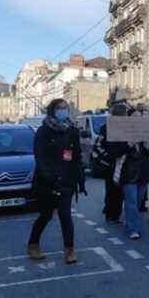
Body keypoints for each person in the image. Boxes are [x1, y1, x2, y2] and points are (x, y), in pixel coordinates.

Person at [27, 99, 86, 264]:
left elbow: (76, 156)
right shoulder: (43, 131)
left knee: (65, 215)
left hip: (66, 181)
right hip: (47, 182)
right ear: (52, 111)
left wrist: (80, 179)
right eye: (59, 108)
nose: (63, 111)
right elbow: (40, 156)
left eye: (65, 108)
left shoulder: (71, 130)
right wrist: (48, 175)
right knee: (45, 215)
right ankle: (33, 244)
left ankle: (69, 250)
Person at [108, 104, 149, 240]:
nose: (137, 120)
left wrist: (147, 145)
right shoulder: (120, 133)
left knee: (137, 201)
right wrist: (129, 144)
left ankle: (130, 220)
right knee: (132, 201)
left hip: (143, 173)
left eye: (139, 117)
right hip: (128, 172)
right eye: (134, 117)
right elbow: (114, 152)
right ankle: (133, 228)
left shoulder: (146, 133)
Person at [93, 108, 122, 225]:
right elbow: (98, 145)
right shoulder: (106, 128)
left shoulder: (127, 129)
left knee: (119, 191)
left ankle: (116, 214)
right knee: (111, 189)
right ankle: (110, 213)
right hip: (110, 164)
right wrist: (107, 156)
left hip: (122, 163)